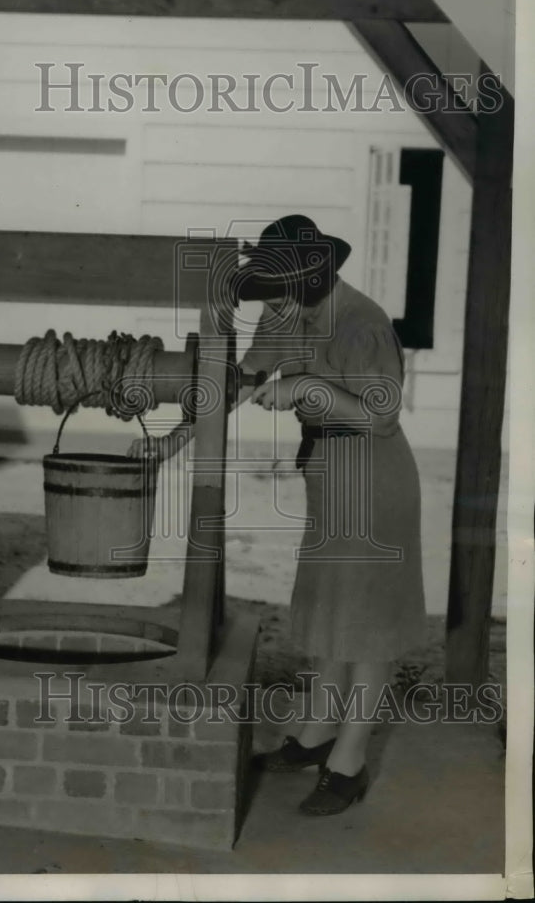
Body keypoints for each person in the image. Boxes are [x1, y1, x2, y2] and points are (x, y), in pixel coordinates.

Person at [129, 214, 426, 816]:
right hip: (329, 474)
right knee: (329, 610)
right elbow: (235, 383)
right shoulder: (290, 311)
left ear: (315, 275)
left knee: (367, 624)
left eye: (284, 288)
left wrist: (305, 391)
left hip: (375, 478)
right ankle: (316, 736)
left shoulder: (362, 325)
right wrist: (168, 443)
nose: (277, 302)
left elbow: (381, 417)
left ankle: (349, 761)